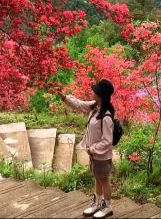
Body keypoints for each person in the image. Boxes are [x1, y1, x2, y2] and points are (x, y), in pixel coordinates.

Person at [58, 79, 115, 218]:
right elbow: (79, 104)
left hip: (101, 155)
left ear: (101, 95)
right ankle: (97, 203)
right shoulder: (95, 107)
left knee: (104, 180)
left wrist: (93, 149)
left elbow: (107, 141)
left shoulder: (106, 116)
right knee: (97, 178)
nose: (92, 92)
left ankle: (107, 207)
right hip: (94, 154)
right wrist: (65, 98)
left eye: (95, 91)